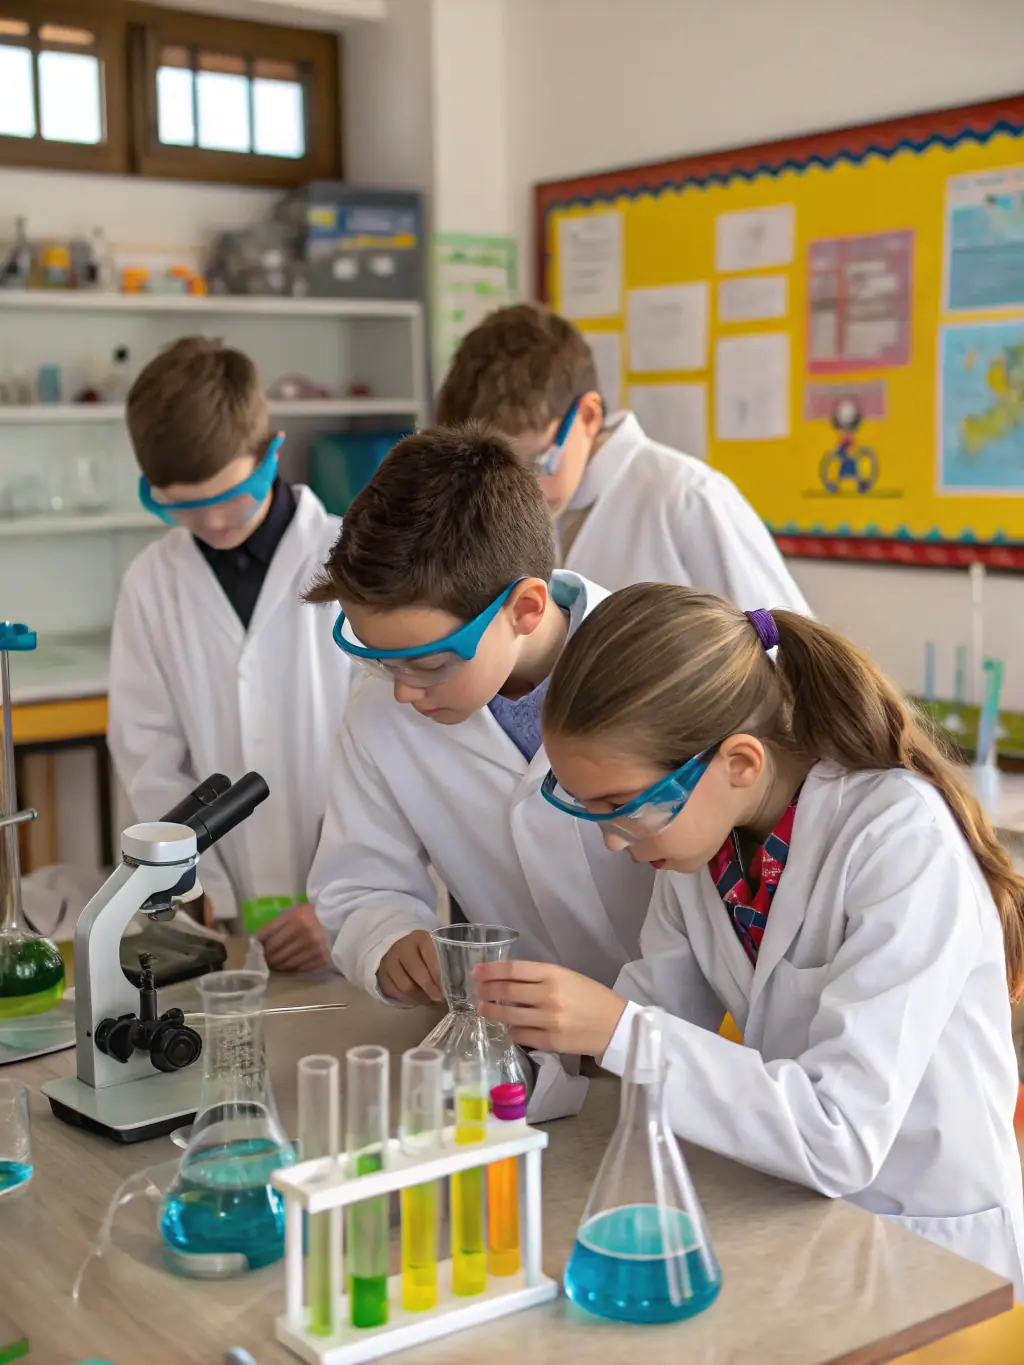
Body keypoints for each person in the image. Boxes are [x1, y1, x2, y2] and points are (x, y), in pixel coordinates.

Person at [473, 584, 1024, 1295]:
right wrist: (523, 1047)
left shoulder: (897, 841)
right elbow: (653, 1024)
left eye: (623, 806)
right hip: (804, 1228)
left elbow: (839, 1134)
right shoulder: (702, 849)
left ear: (739, 763)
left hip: (935, 1250)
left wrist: (616, 1028)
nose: (612, 839)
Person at [305, 426, 655, 1118]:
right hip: (514, 1057)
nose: (404, 689)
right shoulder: (383, 707)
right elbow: (359, 880)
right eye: (379, 658)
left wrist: (636, 1022)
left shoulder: (653, 669)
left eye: (429, 662)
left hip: (670, 1048)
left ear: (525, 608)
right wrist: (389, 938)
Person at [108, 338, 352, 972]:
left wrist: (347, 897)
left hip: (355, 918)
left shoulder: (356, 561)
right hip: (224, 917)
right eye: (185, 506)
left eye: (231, 496)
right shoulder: (150, 583)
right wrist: (191, 881)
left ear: (271, 453)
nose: (215, 522)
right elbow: (149, 754)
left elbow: (396, 750)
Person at [435, 303, 810, 614]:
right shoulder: (526, 505)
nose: (516, 489)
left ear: (588, 417)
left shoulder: (686, 498)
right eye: (493, 469)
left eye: (534, 463)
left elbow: (791, 655)